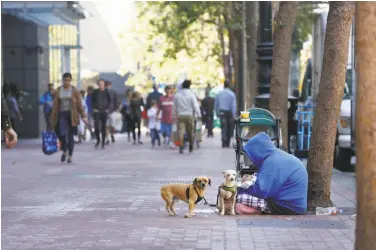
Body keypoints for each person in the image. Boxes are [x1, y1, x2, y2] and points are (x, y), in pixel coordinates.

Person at [237, 132, 308, 215]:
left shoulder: (270, 162)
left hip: (287, 206)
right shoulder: (277, 156)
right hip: (297, 205)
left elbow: (262, 191)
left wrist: (241, 188)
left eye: (252, 155)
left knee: (239, 198)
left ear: (257, 151)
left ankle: (259, 211)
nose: (252, 161)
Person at [50, 73, 88, 163]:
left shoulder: (74, 91)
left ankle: (70, 155)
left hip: (72, 115)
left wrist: (84, 116)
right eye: (64, 80)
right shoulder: (59, 90)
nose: (66, 82)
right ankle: (65, 150)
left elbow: (79, 105)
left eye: (68, 80)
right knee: (61, 134)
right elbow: (54, 101)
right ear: (62, 80)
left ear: (70, 81)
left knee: (70, 136)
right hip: (62, 114)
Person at [172, 80, 201, 154]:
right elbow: (195, 105)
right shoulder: (191, 94)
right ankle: (191, 145)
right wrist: (198, 114)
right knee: (190, 132)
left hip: (180, 115)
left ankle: (181, 147)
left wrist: (173, 115)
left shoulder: (177, 95)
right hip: (189, 115)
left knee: (180, 131)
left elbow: (174, 106)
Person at [215, 80, 236, 148]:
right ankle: (228, 142)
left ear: (224, 85)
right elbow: (233, 105)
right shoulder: (231, 94)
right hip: (229, 112)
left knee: (223, 127)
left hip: (222, 112)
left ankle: (223, 141)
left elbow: (216, 104)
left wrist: (217, 112)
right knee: (229, 127)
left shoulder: (219, 93)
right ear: (229, 85)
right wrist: (233, 114)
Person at [91, 79, 112, 149]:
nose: (101, 85)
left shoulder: (107, 92)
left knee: (103, 127)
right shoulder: (95, 92)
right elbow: (92, 101)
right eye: (99, 84)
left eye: (102, 84)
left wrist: (107, 109)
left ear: (104, 84)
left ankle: (103, 141)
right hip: (97, 111)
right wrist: (94, 108)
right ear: (98, 84)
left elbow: (110, 101)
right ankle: (98, 140)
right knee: (96, 126)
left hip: (104, 111)